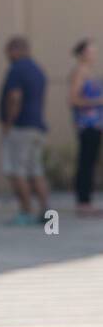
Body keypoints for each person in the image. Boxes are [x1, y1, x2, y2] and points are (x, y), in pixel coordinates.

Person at [0, 36, 50, 226]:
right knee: (36, 170)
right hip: (37, 127)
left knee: (16, 171)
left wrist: (8, 122)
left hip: (20, 128)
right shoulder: (37, 70)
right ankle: (46, 210)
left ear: (16, 50)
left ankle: (26, 211)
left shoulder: (17, 69)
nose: (8, 56)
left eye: (9, 52)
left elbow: (15, 97)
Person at [68, 38, 103, 216]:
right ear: (82, 54)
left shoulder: (90, 72)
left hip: (96, 124)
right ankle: (83, 202)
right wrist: (98, 101)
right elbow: (74, 99)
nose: (94, 55)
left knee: (91, 162)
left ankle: (87, 200)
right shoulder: (79, 72)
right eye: (90, 51)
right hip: (87, 124)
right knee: (85, 162)